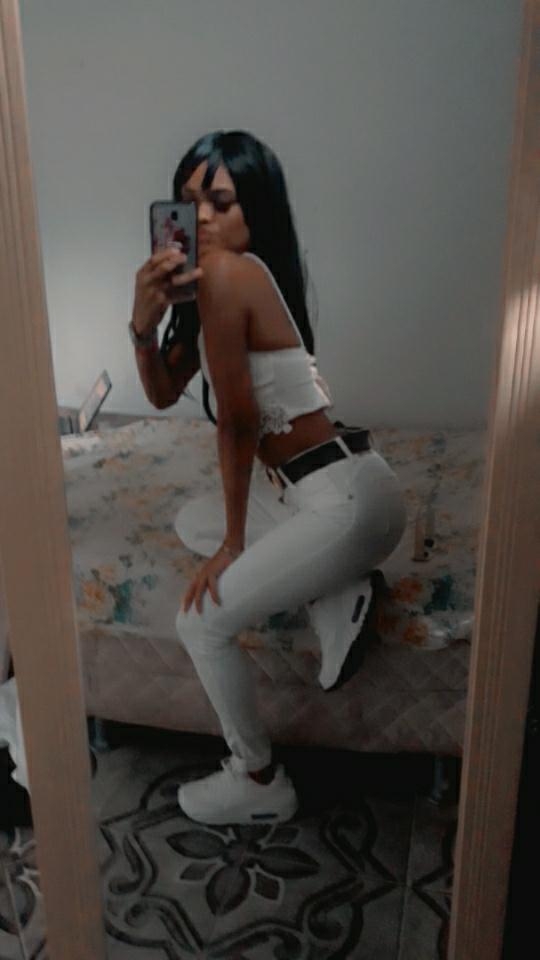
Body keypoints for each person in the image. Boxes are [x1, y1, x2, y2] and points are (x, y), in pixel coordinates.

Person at [130, 130, 407, 826]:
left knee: (199, 623)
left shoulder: (232, 272)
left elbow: (238, 423)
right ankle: (337, 589)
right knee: (191, 519)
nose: (202, 217)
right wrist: (143, 326)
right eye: (189, 201)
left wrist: (234, 544)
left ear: (256, 212)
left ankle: (256, 777)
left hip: (346, 501)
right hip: (330, 490)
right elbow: (161, 394)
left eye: (221, 202)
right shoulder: (212, 287)